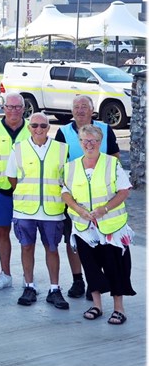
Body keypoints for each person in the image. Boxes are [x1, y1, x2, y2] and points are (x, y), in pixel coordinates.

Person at [61, 124, 135, 324]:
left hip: (111, 227)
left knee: (115, 266)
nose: (89, 144)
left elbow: (123, 191)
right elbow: (65, 193)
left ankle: (119, 308)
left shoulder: (112, 163)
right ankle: (96, 305)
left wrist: (104, 209)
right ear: (80, 142)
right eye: (85, 140)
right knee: (90, 266)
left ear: (100, 143)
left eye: (94, 141)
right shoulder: (71, 167)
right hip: (84, 228)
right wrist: (79, 210)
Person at [54, 95, 120, 301]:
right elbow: (59, 165)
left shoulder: (105, 130)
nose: (80, 110)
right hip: (76, 200)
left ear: (92, 110)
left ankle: (96, 283)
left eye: (84, 106)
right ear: (71, 110)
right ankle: (78, 280)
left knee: (100, 241)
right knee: (74, 241)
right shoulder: (63, 132)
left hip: (102, 200)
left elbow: (115, 157)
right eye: (76, 107)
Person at [6, 112, 70, 309]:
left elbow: (66, 177)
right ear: (29, 127)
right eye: (34, 125)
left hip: (52, 209)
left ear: (48, 128)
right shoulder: (18, 149)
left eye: (43, 126)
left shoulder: (61, 149)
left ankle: (54, 288)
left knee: (52, 248)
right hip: (25, 210)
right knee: (26, 247)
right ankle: (29, 286)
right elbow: (12, 178)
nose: (38, 129)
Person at [0, 92, 30, 290]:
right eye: (10, 107)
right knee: (1, 231)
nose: (14, 111)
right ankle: (5, 274)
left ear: (24, 109)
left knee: (28, 235)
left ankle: (29, 278)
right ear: (4, 108)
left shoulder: (32, 129)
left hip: (26, 191)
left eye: (18, 107)